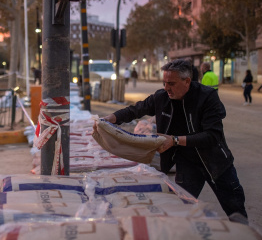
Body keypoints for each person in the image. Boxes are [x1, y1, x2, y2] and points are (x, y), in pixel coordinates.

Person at [99, 59, 247, 221]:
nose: (166, 88)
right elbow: (136, 110)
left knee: (236, 211)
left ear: (187, 81)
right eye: (164, 83)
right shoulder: (162, 97)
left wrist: (175, 140)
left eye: (171, 83)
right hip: (187, 164)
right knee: (181, 211)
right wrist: (111, 118)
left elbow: (212, 136)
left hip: (216, 163)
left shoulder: (207, 97)